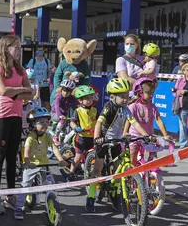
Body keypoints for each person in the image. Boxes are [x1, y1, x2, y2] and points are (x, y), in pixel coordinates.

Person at [90, 78, 147, 213]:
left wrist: (146, 135)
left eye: (127, 96)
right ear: (112, 97)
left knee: (118, 169)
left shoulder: (126, 109)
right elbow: (99, 123)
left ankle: (115, 196)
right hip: (103, 141)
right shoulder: (108, 107)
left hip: (116, 140)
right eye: (122, 97)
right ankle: (91, 195)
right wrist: (97, 138)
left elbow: (135, 123)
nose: (125, 99)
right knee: (98, 169)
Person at [0, 35, 33, 213]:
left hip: (17, 114)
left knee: (12, 157)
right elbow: (2, 90)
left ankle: (10, 195)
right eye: (16, 46)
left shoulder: (20, 68)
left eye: (19, 46)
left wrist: (15, 93)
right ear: (6, 48)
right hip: (1, 115)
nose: (19, 50)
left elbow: (30, 93)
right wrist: (18, 91)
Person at [14, 107, 67, 220]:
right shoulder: (31, 137)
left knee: (51, 185)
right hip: (31, 165)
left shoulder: (47, 136)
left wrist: (60, 159)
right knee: (25, 185)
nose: (45, 124)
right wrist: (28, 162)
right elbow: (26, 151)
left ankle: (54, 203)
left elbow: (54, 148)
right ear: (33, 124)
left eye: (47, 122)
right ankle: (18, 207)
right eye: (41, 122)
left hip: (44, 164)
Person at [126, 78, 171, 165]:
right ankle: (130, 176)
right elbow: (129, 120)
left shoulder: (152, 106)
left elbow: (158, 120)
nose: (151, 95)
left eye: (152, 93)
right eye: (148, 93)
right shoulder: (133, 106)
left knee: (153, 157)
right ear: (140, 92)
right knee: (133, 158)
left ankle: (151, 174)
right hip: (135, 136)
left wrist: (165, 134)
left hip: (148, 137)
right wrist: (126, 132)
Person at [67, 85, 97, 178]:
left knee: (95, 155)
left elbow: (99, 121)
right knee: (78, 156)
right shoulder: (78, 111)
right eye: (87, 98)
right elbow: (72, 122)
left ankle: (91, 172)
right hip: (81, 137)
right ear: (80, 100)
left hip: (92, 136)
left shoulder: (95, 110)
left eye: (91, 97)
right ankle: (71, 173)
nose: (90, 100)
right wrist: (75, 127)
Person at [52, 79, 79, 145]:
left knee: (64, 133)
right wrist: (60, 115)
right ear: (61, 90)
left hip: (65, 116)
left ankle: (62, 146)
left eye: (68, 91)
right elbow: (57, 106)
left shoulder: (72, 98)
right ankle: (55, 137)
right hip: (55, 114)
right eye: (64, 90)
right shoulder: (59, 97)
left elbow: (78, 105)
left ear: (71, 92)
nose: (65, 93)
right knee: (62, 120)